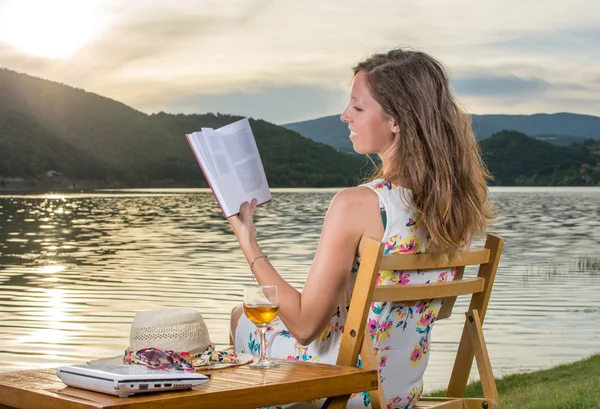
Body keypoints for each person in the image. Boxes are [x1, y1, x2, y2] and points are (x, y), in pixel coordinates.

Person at [228, 48, 494, 409]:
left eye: (357, 106)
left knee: (241, 317)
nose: (344, 116)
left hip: (346, 387)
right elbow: (437, 309)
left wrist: (249, 243)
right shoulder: (455, 207)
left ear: (396, 120)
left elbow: (305, 328)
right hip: (399, 391)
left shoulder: (358, 204)